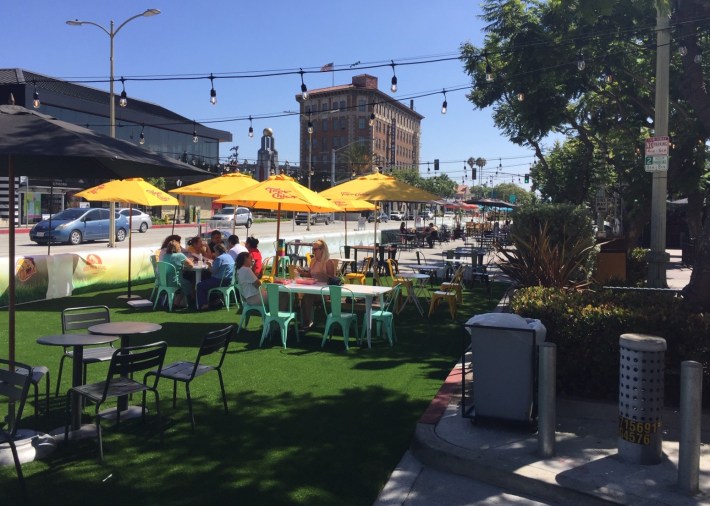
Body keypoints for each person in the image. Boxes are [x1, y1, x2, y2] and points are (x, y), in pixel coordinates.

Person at [295, 239, 336, 330]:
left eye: (315, 249)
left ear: (322, 250)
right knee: (298, 295)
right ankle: (303, 320)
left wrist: (324, 275)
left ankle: (307, 322)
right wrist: (302, 272)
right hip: (313, 288)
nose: (313, 251)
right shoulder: (313, 261)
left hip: (324, 291)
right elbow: (310, 275)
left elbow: (333, 280)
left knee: (307, 296)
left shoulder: (328, 262)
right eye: (312, 249)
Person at [196, 243, 235, 310]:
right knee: (206, 281)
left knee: (200, 285)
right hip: (230, 280)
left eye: (215, 251)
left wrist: (209, 265)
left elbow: (213, 271)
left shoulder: (220, 258)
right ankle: (215, 300)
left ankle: (203, 304)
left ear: (217, 251)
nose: (214, 253)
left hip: (220, 281)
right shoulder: (229, 256)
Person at [161, 239, 194, 307]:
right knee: (188, 283)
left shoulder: (165, 256)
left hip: (164, 281)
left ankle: (177, 301)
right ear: (177, 247)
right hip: (175, 281)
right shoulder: (180, 255)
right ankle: (190, 301)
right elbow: (191, 265)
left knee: (184, 283)